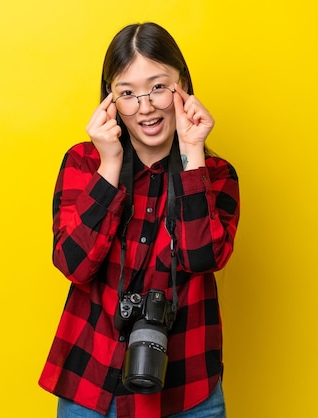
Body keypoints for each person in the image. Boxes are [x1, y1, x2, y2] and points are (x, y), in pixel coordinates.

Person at [39, 22, 240, 418]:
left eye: (158, 87)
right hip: (93, 380)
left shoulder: (216, 174)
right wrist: (110, 165)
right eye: (127, 93)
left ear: (182, 84)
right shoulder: (84, 162)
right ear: (110, 101)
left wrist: (192, 154)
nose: (145, 106)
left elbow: (201, 259)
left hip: (188, 385)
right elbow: (73, 265)